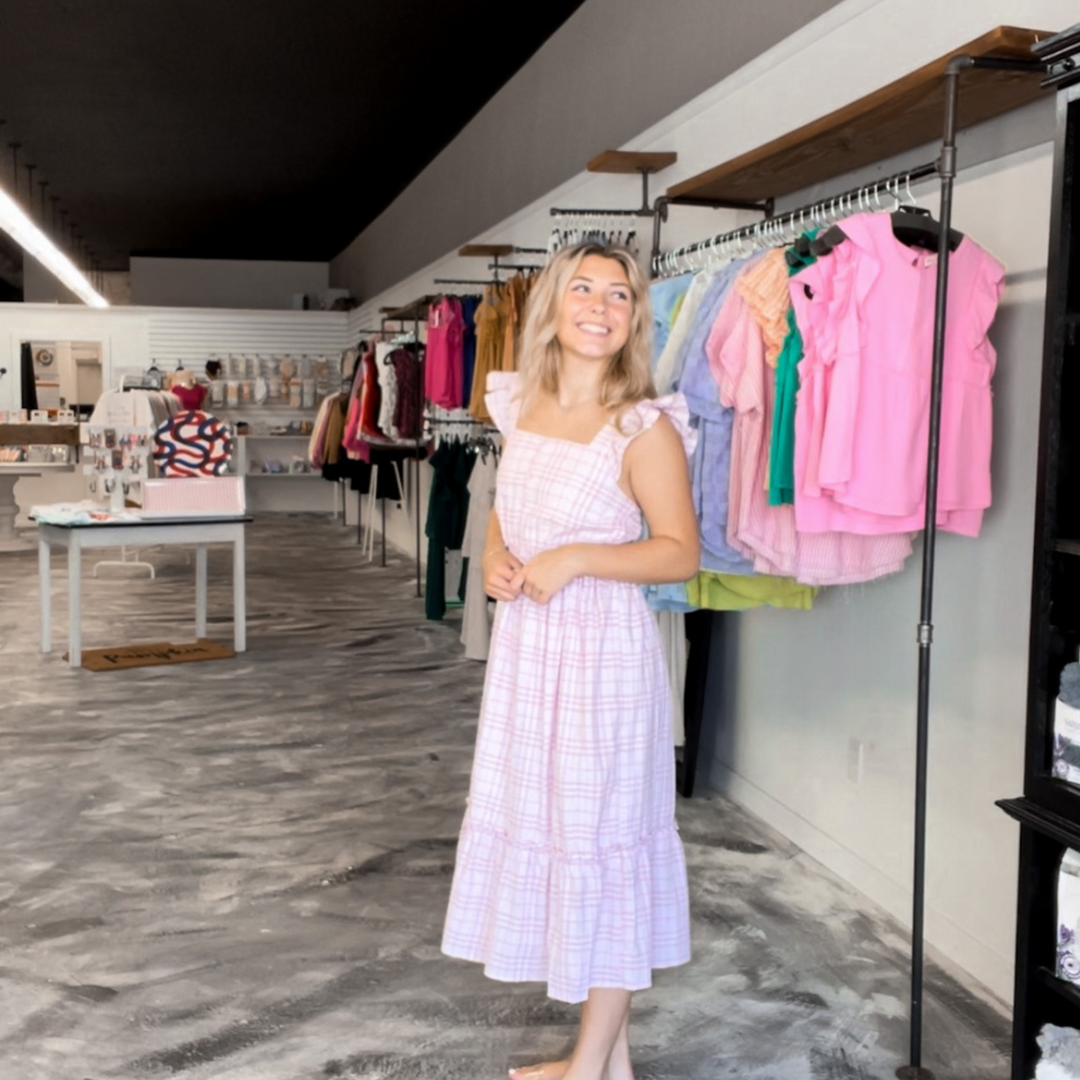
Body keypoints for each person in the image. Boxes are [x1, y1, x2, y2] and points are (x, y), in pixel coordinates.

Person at [441, 242, 700, 1080]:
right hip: (528, 655)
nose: (599, 305)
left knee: (601, 845)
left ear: (634, 317)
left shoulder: (643, 427)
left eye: (618, 294)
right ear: (552, 305)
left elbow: (678, 555)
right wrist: (492, 557)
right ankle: (608, 1060)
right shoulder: (522, 407)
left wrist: (580, 557)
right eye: (582, 288)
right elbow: (503, 511)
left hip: (601, 665)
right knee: (562, 834)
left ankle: (585, 1070)